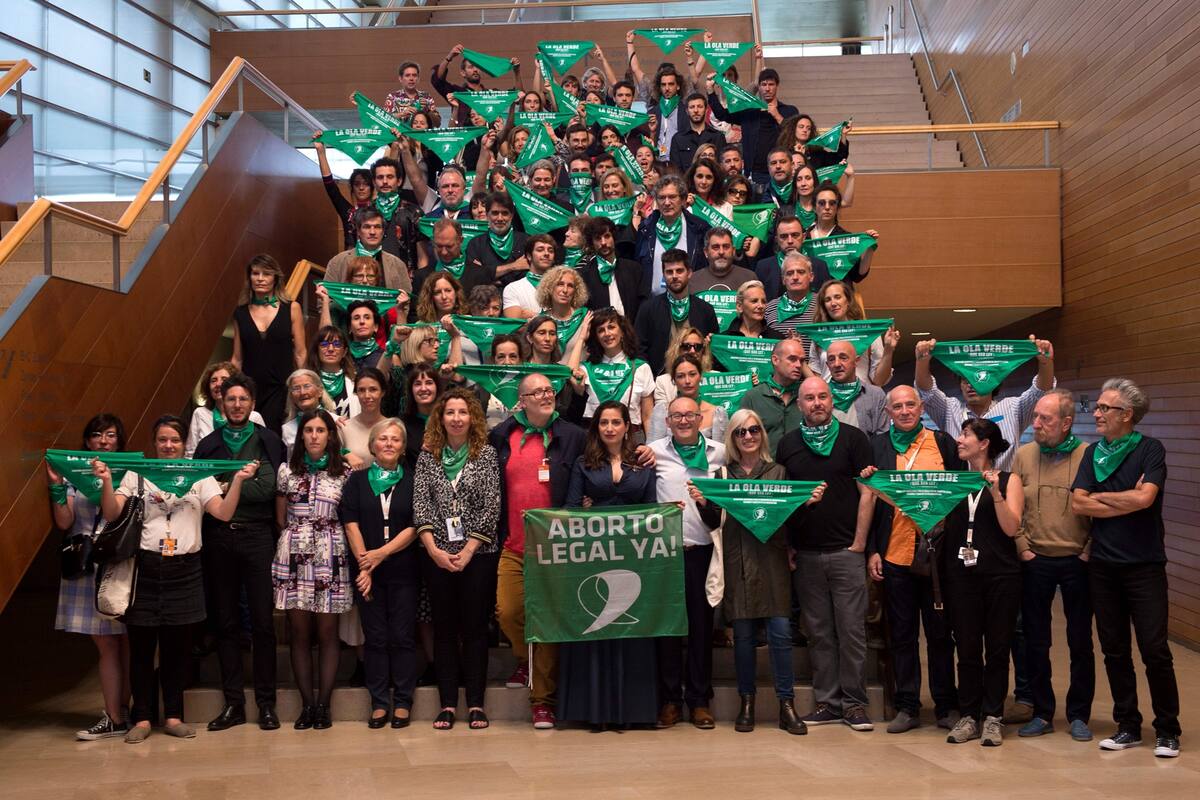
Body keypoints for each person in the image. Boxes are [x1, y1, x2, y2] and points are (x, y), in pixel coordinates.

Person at [95, 415, 257, 743]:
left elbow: (223, 513)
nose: (168, 446)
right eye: (162, 440)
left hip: (185, 570)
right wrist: (107, 482)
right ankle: (141, 718)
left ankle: (172, 716)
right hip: (145, 568)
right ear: (154, 443)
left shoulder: (199, 477)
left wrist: (238, 480)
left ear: (185, 445)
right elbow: (113, 514)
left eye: (175, 441)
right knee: (141, 649)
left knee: (176, 650)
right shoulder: (137, 475)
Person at [691, 408, 820, 735]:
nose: (747, 436)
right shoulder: (720, 476)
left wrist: (805, 504)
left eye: (753, 430)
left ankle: (786, 704)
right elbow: (712, 524)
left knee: (779, 633)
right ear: (732, 438)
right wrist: (703, 504)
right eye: (740, 432)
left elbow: (791, 522)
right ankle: (746, 702)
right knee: (744, 638)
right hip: (738, 561)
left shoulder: (779, 472)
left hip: (772, 560)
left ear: (762, 434)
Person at [1071, 378, 1181, 758]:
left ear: (1127, 414)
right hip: (1103, 565)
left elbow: (1146, 499)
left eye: (1105, 408)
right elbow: (1079, 505)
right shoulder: (1092, 453)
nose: (1097, 413)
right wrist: (1125, 498)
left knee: (1154, 649)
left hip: (1144, 566)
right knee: (1114, 650)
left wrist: (1105, 498)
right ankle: (1127, 726)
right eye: (1097, 407)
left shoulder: (1150, 449)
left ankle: (1167, 730)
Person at [775, 376, 875, 731]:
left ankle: (855, 705)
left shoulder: (854, 439)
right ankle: (829, 703)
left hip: (846, 550)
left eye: (822, 397)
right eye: (809, 398)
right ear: (798, 405)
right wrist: (788, 544)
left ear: (831, 401)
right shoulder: (787, 445)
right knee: (818, 632)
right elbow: (784, 502)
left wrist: (861, 543)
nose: (817, 403)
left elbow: (868, 492)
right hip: (806, 554)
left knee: (851, 631)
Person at [490, 373, 588, 729]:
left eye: (549, 390)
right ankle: (523, 657)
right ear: (522, 400)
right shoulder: (502, 435)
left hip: (555, 549)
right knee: (509, 612)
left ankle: (542, 702)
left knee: (546, 625)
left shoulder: (574, 435)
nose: (546, 396)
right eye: (537, 392)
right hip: (513, 544)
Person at [864, 386, 964, 733]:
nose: (905, 411)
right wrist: (873, 549)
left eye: (911, 405)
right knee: (902, 635)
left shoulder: (943, 444)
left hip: (936, 557)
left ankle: (946, 706)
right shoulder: (877, 446)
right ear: (888, 412)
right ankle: (906, 705)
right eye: (897, 407)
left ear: (922, 407)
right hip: (895, 554)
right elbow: (872, 502)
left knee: (940, 635)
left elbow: (959, 496)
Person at [193, 374, 287, 732]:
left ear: (252, 403)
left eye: (243, 399)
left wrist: (226, 487)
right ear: (221, 403)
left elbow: (269, 490)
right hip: (218, 539)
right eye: (230, 399)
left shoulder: (269, 441)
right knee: (226, 623)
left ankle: (266, 704)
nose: (236, 405)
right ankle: (233, 704)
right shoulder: (208, 445)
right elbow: (202, 493)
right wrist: (243, 482)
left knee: (263, 623)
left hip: (258, 537)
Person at [560, 401, 659, 729]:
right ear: (596, 427)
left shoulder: (643, 463)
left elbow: (652, 510)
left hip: (635, 558)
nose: (610, 428)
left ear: (627, 426)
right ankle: (595, 711)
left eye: (616, 422)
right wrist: (587, 511)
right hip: (594, 559)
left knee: (631, 630)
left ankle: (633, 712)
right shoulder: (583, 463)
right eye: (604, 422)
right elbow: (572, 509)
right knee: (597, 628)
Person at [414, 389, 501, 730]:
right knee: (445, 630)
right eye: (449, 412)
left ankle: (476, 704)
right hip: (436, 556)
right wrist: (435, 551)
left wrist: (467, 552)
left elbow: (492, 506)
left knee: (476, 630)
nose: (456, 418)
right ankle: (448, 704)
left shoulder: (487, 455)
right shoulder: (427, 457)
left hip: (478, 556)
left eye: (462, 412)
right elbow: (420, 505)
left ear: (472, 418)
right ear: (441, 418)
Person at [1013, 389, 1095, 741]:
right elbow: (1013, 505)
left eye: (1045, 419)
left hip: (1077, 560)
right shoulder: (1024, 454)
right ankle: (1043, 712)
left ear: (1066, 422)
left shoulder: (1088, 456)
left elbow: (1097, 507)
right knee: (1035, 640)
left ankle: (1079, 715)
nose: (1036, 424)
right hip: (1035, 560)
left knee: (1080, 640)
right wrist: (1021, 546)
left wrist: (1089, 548)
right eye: (1035, 417)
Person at [941, 418, 1025, 747]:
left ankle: (993, 717)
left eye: (965, 435)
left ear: (984, 443)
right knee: (968, 648)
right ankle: (968, 715)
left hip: (1001, 575)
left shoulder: (1009, 480)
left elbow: (1010, 529)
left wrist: (996, 494)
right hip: (961, 574)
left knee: (998, 648)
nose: (959, 440)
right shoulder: (954, 481)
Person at [48, 414, 131, 740]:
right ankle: (113, 716)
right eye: (97, 435)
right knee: (107, 645)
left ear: (119, 441)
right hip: (87, 566)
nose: (104, 441)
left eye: (111, 435)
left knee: (130, 642)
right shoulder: (71, 473)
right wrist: (57, 486)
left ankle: (133, 712)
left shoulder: (127, 471)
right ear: (87, 441)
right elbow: (64, 522)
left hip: (122, 566)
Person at [273, 409, 354, 731]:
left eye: (321, 430)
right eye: (309, 430)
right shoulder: (286, 471)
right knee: (298, 633)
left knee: (328, 633)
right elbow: (280, 517)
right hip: (294, 553)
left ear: (330, 435)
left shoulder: (345, 472)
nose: (315, 435)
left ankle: (324, 705)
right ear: (301, 435)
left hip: (331, 553)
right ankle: (307, 704)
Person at [649, 396, 725, 729]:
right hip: (664, 554)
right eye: (676, 416)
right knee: (667, 629)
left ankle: (698, 700)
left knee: (700, 629)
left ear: (700, 419)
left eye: (689, 415)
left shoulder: (718, 453)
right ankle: (669, 701)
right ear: (667, 421)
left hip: (703, 550)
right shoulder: (653, 453)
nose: (683, 421)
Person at [340, 417, 421, 729]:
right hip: (366, 573)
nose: (389, 444)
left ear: (402, 448)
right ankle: (378, 702)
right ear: (372, 446)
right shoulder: (357, 481)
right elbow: (350, 522)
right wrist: (365, 564)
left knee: (401, 636)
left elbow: (415, 526)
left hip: (403, 569)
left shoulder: (413, 480)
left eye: (395, 440)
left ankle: (402, 701)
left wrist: (380, 555)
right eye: (383, 439)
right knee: (374, 637)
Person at [915, 334, 1056, 471]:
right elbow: (927, 391)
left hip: (1004, 490)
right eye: (965, 380)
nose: (970, 385)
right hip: (962, 492)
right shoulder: (950, 409)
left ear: (993, 382)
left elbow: (1041, 391)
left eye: (978, 379)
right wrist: (923, 360)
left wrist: (1045, 361)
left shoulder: (1013, 408)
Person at [231, 254, 306, 431]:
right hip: (250, 390)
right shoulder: (240, 313)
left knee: (278, 437)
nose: (261, 279)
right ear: (249, 278)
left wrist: (304, 382)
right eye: (255, 273)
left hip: (282, 388)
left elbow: (300, 352)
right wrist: (232, 389)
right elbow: (237, 358)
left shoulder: (292, 308)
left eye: (266, 274)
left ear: (276, 277)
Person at [633, 249, 720, 375]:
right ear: (663, 274)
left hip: (698, 379)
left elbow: (715, 351)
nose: (674, 276)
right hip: (659, 380)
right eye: (669, 272)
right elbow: (638, 349)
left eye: (679, 271)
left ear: (689, 273)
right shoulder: (648, 308)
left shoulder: (705, 310)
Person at [707, 69, 799, 187]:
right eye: (763, 84)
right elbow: (722, 114)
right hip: (755, 175)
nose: (767, 88)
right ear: (759, 87)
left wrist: (777, 116)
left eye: (771, 84)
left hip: (781, 172)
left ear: (777, 86)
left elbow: (794, 135)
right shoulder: (748, 111)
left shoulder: (789, 111)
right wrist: (710, 92)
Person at [807, 281, 898, 387]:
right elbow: (816, 380)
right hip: (830, 400)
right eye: (827, 300)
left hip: (862, 398)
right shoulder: (819, 335)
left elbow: (879, 381)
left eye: (837, 297)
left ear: (848, 300)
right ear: (824, 306)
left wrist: (888, 350)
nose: (833, 303)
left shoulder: (869, 332)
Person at [635, 175, 711, 295]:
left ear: (683, 199)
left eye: (672, 197)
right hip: (654, 303)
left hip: (690, 301)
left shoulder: (699, 228)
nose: (666, 202)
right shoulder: (646, 228)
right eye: (661, 197)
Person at [739, 338, 806, 454]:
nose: (799, 365)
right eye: (792, 359)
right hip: (765, 468)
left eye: (802, 361)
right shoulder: (753, 396)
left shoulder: (807, 394)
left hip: (800, 467)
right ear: (775, 360)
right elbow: (739, 440)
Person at [325, 207, 413, 294]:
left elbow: (406, 300)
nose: (372, 232)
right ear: (358, 231)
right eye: (367, 227)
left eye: (377, 227)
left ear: (383, 232)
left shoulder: (398, 265)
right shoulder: (338, 262)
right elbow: (325, 299)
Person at [187, 362, 266, 457]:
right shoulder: (200, 413)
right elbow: (191, 453)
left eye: (224, 379)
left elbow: (264, 451)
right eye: (213, 380)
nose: (218, 384)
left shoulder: (254, 416)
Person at [432, 43, 521, 126]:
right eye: (471, 67)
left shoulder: (491, 94)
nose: (475, 70)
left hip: (489, 138)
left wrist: (517, 72)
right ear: (463, 73)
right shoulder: (458, 93)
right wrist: (449, 57)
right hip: (467, 140)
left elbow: (519, 95)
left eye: (477, 67)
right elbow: (437, 81)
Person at [647, 352, 728, 443]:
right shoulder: (662, 410)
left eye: (692, 374)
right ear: (673, 380)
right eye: (680, 376)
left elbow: (721, 453)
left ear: (701, 376)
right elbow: (653, 450)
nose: (687, 381)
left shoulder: (716, 413)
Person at [311, 137, 372, 249]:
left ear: (372, 187)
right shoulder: (348, 212)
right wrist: (321, 152)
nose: (361, 188)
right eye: (357, 184)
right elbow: (330, 186)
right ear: (352, 188)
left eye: (366, 184)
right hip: (351, 262)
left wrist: (395, 147)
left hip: (375, 262)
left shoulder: (380, 209)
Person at [464, 192, 530, 294]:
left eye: (505, 213)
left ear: (511, 216)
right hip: (484, 301)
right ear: (487, 215)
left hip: (520, 299)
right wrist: (514, 266)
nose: (500, 218)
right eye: (495, 213)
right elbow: (473, 278)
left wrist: (489, 275)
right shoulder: (475, 244)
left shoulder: (526, 241)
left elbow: (528, 276)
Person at [579, 216, 644, 318]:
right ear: (592, 243)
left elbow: (642, 305)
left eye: (607, 236)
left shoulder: (634, 269)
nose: (603, 242)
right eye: (598, 238)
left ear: (614, 237)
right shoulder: (584, 275)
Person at [754, 215, 832, 300]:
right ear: (777, 240)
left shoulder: (819, 266)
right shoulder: (763, 267)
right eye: (784, 236)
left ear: (804, 237)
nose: (790, 241)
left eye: (795, 235)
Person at [826, 341, 888, 434]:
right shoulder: (818, 396)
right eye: (831, 359)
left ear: (856, 361)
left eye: (843, 358)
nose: (837, 364)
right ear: (827, 365)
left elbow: (883, 438)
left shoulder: (875, 395)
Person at [308, 327, 361, 421]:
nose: (331, 349)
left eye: (337, 344)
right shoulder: (308, 381)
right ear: (317, 350)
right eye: (324, 344)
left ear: (344, 352)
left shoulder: (357, 380)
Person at [764, 253, 819, 343]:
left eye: (801, 272)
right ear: (783, 279)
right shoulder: (769, 308)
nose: (795, 277)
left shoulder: (822, 304)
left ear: (811, 276)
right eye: (789, 273)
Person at [280, 369, 336, 457]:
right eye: (296, 388)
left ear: (320, 391)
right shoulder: (287, 429)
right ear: (291, 396)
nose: (302, 392)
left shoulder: (337, 422)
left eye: (307, 386)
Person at [651, 328, 711, 407]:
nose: (692, 351)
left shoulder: (716, 376)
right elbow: (662, 415)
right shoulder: (663, 382)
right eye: (687, 346)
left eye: (697, 347)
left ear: (703, 350)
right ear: (677, 349)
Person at [502, 234, 558, 318]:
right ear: (529, 256)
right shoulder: (513, 288)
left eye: (550, 250)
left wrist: (534, 316)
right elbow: (516, 326)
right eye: (540, 250)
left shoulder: (563, 286)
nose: (546, 253)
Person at [341, 367, 386, 470]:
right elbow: (330, 453)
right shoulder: (345, 427)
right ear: (356, 393)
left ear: (383, 392)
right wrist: (344, 454)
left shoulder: (392, 428)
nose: (367, 395)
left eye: (373, 390)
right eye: (361, 390)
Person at [688, 228, 758, 294]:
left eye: (726, 247)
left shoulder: (749, 278)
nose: (721, 252)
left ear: (733, 251)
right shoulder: (693, 280)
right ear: (706, 252)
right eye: (716, 247)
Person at [669, 93, 725, 171]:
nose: (696, 110)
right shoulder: (678, 139)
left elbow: (721, 167)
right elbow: (676, 170)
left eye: (700, 107)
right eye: (692, 107)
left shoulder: (718, 137)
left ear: (706, 110)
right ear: (687, 111)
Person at [720, 279, 786, 342]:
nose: (761, 306)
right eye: (754, 301)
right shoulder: (724, 339)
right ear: (739, 306)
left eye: (763, 301)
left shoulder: (777, 339)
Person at [384, 61, 441, 125]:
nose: (411, 78)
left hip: (421, 134)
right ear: (400, 79)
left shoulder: (426, 97)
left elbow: (438, 124)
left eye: (414, 75)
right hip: (399, 134)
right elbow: (384, 120)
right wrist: (402, 114)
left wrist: (428, 110)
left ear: (418, 78)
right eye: (407, 75)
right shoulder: (392, 97)